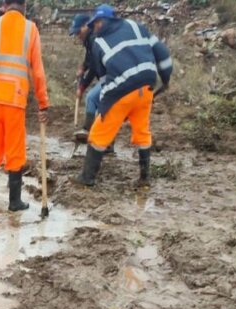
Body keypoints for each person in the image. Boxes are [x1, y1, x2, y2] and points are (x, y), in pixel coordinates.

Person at [73, 4, 173, 187]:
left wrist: (104, 105)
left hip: (121, 91)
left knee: (97, 135)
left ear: (101, 22)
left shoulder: (99, 42)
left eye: (95, 24)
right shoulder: (136, 26)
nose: (94, 28)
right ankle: (144, 179)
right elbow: (163, 53)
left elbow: (103, 77)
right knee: (142, 132)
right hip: (146, 87)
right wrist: (165, 80)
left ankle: (87, 178)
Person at [0, 0, 50, 212]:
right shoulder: (30, 29)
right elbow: (38, 71)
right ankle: (14, 202)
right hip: (15, 102)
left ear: (4, 5)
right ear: (24, 6)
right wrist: (43, 103)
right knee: (15, 152)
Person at [70, 13, 115, 153]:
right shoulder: (89, 40)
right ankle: (90, 132)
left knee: (100, 104)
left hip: (112, 76)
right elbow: (89, 58)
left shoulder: (95, 39)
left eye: (78, 31)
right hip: (106, 76)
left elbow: (95, 65)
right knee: (94, 100)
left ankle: (103, 140)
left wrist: (82, 86)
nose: (78, 35)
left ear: (85, 26)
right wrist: (83, 67)